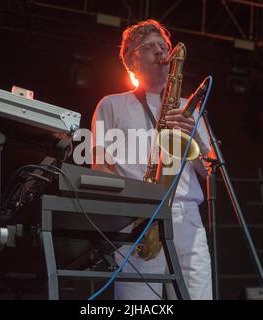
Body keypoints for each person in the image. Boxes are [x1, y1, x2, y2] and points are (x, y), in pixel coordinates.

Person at [91, 19, 212, 300]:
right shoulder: (111, 105)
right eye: (150, 47)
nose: (161, 52)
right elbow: (100, 169)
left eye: (164, 46)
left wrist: (195, 138)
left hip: (186, 219)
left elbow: (209, 172)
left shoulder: (190, 107)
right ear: (130, 60)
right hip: (136, 220)